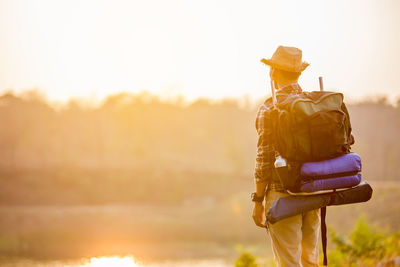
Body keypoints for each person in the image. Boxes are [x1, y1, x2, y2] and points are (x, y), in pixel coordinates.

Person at [251, 46, 320, 267]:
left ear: (273, 72)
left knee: (289, 263)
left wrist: (258, 201)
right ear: (299, 73)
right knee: (310, 261)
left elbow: (263, 159)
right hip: (314, 191)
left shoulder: (270, 108)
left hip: (282, 194)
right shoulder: (313, 104)